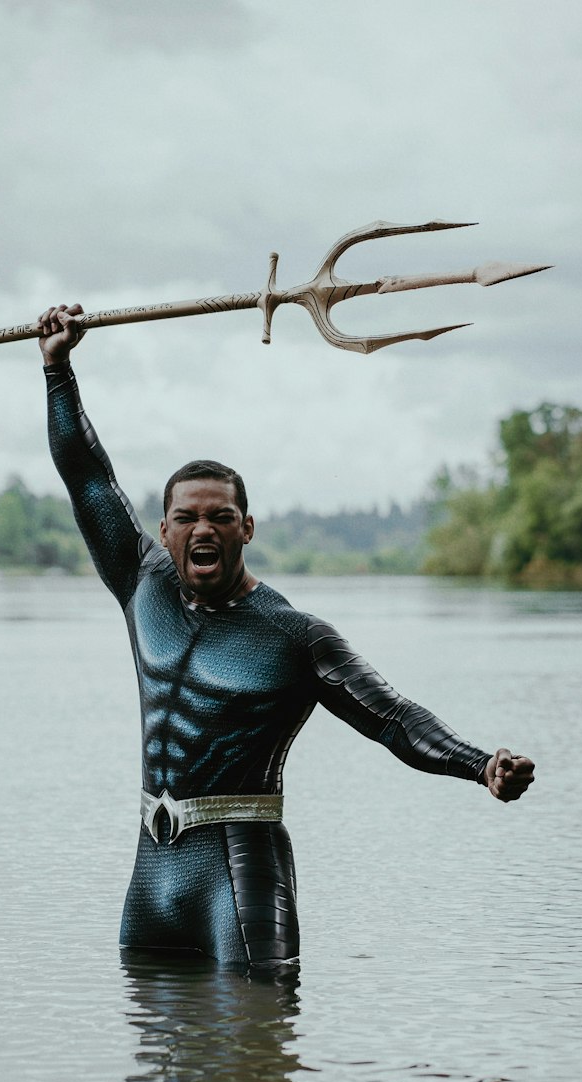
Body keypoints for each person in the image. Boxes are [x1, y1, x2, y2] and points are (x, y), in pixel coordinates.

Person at [39, 302, 535, 968]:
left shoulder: (294, 636)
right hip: (152, 874)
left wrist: (479, 765)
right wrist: (58, 369)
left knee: (257, 1063)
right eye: (186, 518)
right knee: (152, 1061)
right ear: (164, 532)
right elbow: (86, 477)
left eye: (221, 517)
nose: (203, 529)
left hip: (241, 877)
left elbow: (391, 717)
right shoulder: (142, 587)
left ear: (247, 528)